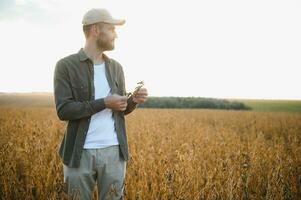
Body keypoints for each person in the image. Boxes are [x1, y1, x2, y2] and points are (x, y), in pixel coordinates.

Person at [53, 8, 148, 200]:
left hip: (114, 152)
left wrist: (132, 101)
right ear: (95, 30)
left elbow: (120, 109)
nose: (116, 35)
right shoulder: (65, 66)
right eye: (112, 29)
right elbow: (64, 110)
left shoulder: (116, 68)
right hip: (79, 154)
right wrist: (104, 102)